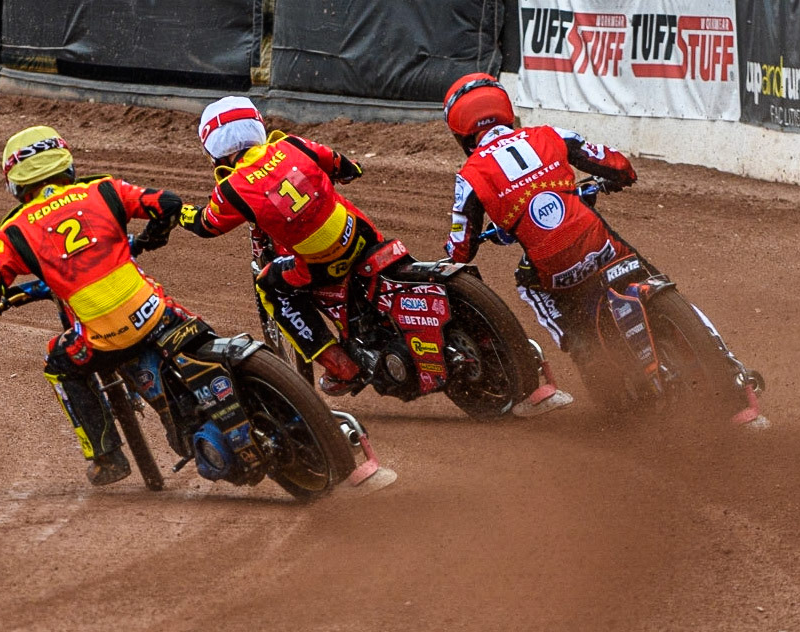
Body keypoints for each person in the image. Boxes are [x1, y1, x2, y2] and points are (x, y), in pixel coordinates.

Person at [178, 95, 571, 416]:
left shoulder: (232, 189)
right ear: (258, 127)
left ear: (215, 151)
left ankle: (342, 367)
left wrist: (177, 212)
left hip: (320, 263)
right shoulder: (291, 145)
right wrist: (347, 172)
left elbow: (206, 225)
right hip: (363, 237)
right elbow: (345, 166)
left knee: (271, 286)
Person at [440, 73, 756, 422]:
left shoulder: (470, 176)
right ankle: (731, 369)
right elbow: (614, 162)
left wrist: (492, 230)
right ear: (506, 111)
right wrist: (621, 177)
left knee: (528, 284)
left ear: (461, 132)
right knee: (652, 275)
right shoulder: (549, 134)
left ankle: (579, 346)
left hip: (555, 272)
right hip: (601, 246)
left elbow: (460, 249)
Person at [0, 126, 185, 486]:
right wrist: (152, 238)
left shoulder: (15, 230)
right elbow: (169, 204)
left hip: (103, 338)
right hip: (157, 312)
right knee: (190, 325)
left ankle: (107, 457)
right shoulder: (103, 189)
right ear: (66, 164)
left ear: (16, 184)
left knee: (59, 362)